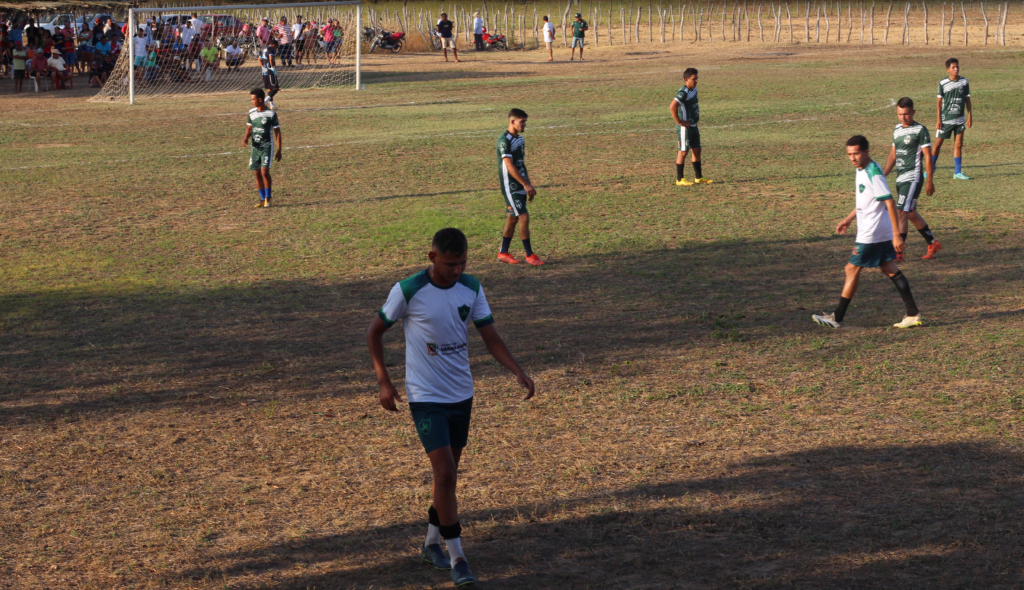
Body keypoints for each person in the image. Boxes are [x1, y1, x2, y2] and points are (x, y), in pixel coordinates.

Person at [367, 227, 535, 590]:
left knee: (448, 477)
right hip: (426, 397)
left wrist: (517, 370)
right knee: (444, 472)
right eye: (449, 264)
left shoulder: (471, 287)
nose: (457, 271)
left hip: (461, 395)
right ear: (432, 258)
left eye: (462, 264)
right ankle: (458, 557)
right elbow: (374, 332)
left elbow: (490, 336)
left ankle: (431, 544)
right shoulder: (408, 290)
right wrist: (384, 381)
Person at [812, 135, 922, 330]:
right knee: (888, 268)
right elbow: (866, 200)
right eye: (849, 154)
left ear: (866, 152)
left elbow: (889, 202)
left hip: (872, 233)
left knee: (851, 269)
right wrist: (848, 218)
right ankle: (913, 313)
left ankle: (837, 317)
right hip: (877, 231)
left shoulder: (873, 172)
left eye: (856, 154)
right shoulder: (861, 169)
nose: (852, 158)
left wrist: (897, 235)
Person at [882, 97, 942, 261]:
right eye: (900, 114)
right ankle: (933, 243)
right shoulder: (897, 129)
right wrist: (882, 175)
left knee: (901, 212)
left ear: (913, 112)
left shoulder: (920, 130)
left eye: (906, 114)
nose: (903, 117)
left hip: (913, 176)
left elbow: (927, 156)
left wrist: (929, 180)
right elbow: (893, 155)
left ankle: (898, 252)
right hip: (900, 177)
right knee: (910, 213)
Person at [497, 108, 545, 266]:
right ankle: (530, 255)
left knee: (513, 218)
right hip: (510, 186)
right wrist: (525, 184)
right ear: (512, 121)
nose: (524, 124)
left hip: (521, 184)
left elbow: (520, 164)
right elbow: (509, 166)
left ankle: (503, 253)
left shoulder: (520, 140)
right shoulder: (504, 140)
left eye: (525, 121)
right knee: (523, 216)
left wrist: (528, 184)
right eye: (522, 121)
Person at [669, 68, 713, 186]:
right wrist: (680, 122)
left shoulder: (694, 90)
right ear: (686, 79)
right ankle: (680, 179)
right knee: (683, 152)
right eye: (694, 79)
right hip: (685, 128)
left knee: (697, 150)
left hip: (694, 126)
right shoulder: (683, 92)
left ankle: (699, 177)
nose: (696, 81)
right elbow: (672, 106)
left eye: (697, 78)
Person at [933, 57, 972, 180]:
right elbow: (939, 102)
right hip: (946, 120)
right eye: (953, 67)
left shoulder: (964, 82)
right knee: (938, 144)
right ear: (947, 69)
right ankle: (930, 168)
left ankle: (957, 172)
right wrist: (938, 120)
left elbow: (967, 99)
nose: (956, 69)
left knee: (958, 144)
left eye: (957, 66)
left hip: (959, 119)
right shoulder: (943, 83)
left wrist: (970, 116)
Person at [243, 88, 282, 208]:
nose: (252, 101)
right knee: (256, 173)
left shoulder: (271, 114)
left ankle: (268, 198)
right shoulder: (251, 112)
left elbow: (277, 132)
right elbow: (249, 128)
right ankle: (262, 198)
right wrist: (245, 138)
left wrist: (279, 150)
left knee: (264, 172)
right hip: (255, 147)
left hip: (267, 146)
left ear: (260, 100)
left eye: (253, 99)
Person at [259, 38, 280, 110]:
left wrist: (262, 67)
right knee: (276, 88)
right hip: (270, 70)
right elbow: (271, 58)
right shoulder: (270, 49)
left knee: (270, 88)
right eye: (276, 46)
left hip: (264, 70)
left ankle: (272, 105)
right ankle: (264, 101)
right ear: (274, 45)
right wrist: (272, 67)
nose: (276, 48)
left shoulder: (263, 49)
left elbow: (259, 59)